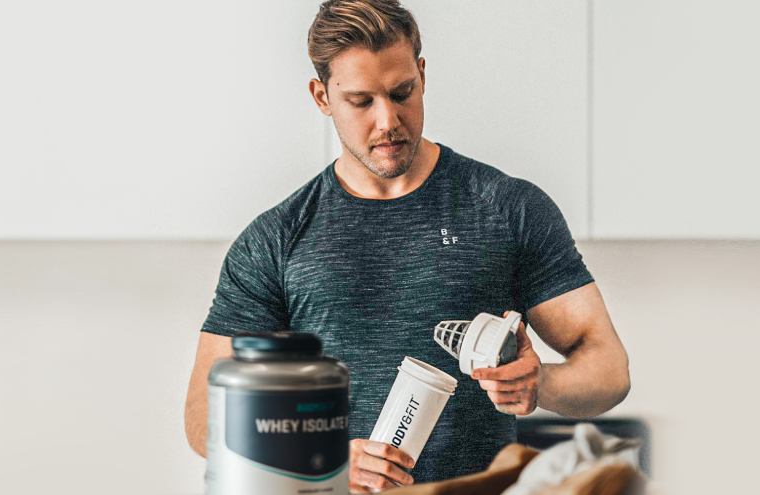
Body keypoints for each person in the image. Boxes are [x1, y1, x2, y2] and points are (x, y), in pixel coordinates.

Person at [184, 1, 631, 493]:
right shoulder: (276, 239)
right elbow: (204, 416)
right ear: (322, 97)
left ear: (422, 73)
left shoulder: (506, 208)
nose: (388, 121)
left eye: (402, 93)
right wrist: (317, 456)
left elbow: (608, 367)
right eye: (361, 101)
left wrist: (539, 382)